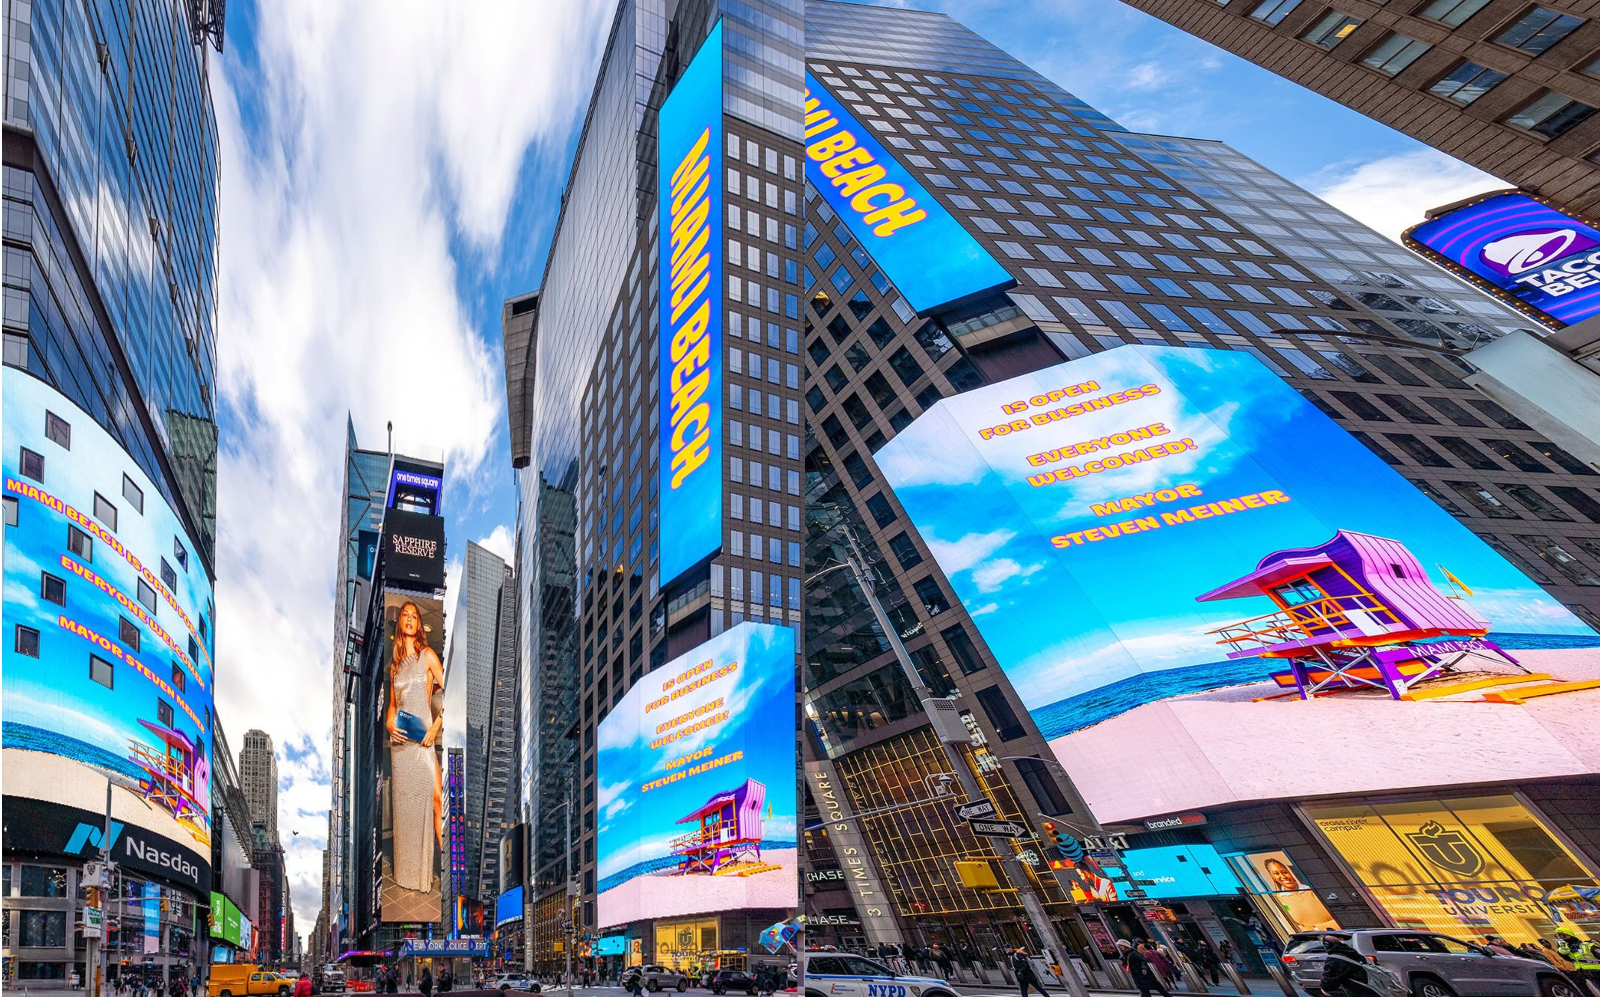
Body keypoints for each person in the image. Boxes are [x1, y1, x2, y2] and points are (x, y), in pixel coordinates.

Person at [386, 600, 446, 895]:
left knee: (436, 800)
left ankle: (445, 869)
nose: (409, 619)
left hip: (424, 739)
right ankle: (408, 874)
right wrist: (388, 725)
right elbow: (392, 707)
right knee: (406, 810)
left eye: (414, 615)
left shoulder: (428, 656)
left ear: (419, 624)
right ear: (400, 624)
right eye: (405, 615)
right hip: (401, 748)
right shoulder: (395, 667)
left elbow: (450, 691)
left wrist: (436, 726)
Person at [1555, 926, 1600, 995]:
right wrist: (1561, 951)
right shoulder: (1567, 949)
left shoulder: (1587, 945)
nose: (1562, 937)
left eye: (1563, 935)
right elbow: (1568, 959)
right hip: (1589, 974)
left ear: (1570, 934)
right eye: (1560, 936)